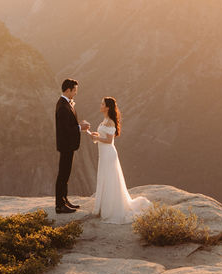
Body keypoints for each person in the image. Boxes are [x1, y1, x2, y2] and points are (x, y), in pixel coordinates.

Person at [89, 97, 150, 223]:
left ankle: (110, 209)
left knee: (110, 179)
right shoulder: (105, 120)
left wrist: (98, 138)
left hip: (109, 154)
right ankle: (104, 207)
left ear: (107, 107)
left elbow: (109, 141)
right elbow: (103, 137)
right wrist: (94, 135)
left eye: (102, 104)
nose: (100, 105)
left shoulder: (110, 122)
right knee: (104, 178)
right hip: (104, 154)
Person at [55, 78, 89, 214]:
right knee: (63, 175)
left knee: (66, 174)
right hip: (66, 145)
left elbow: (68, 125)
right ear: (68, 90)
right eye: (74, 90)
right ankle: (59, 205)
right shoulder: (63, 106)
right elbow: (65, 129)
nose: (75, 93)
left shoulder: (65, 104)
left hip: (68, 145)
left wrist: (78, 125)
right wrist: (80, 127)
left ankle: (64, 200)